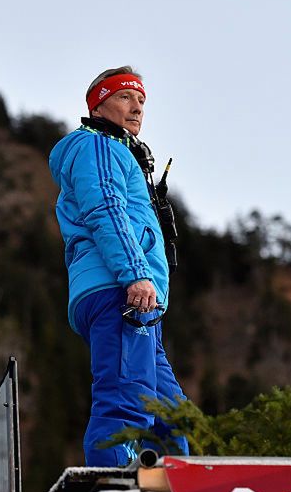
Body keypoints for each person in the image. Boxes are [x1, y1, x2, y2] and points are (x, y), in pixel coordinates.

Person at [47, 66, 188, 467]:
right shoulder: (98, 147)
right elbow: (105, 210)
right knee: (126, 400)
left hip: (135, 297)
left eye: (142, 101)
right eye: (126, 97)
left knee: (172, 416)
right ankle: (109, 489)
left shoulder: (118, 151)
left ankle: (176, 491)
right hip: (121, 289)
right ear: (99, 103)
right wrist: (135, 275)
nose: (137, 108)